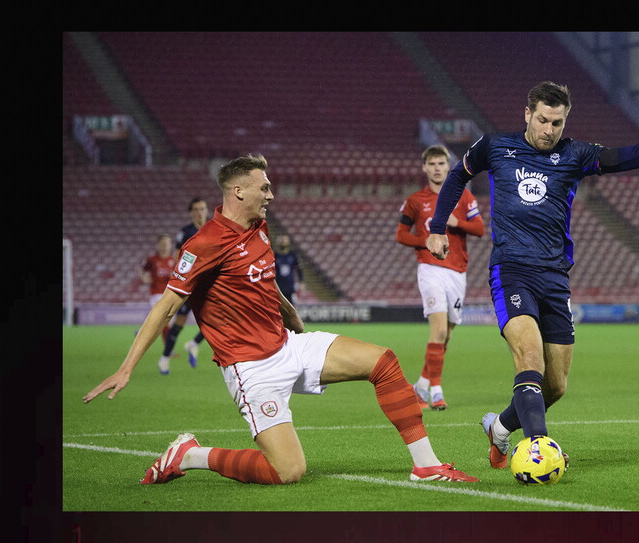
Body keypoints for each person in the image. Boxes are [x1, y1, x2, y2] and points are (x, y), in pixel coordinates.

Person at [83, 154, 479, 485]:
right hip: (251, 368)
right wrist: (127, 367)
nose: (271, 194)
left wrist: (288, 311)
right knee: (288, 471)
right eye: (264, 187)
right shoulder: (204, 243)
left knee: (384, 362)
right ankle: (189, 455)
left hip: (287, 344)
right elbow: (166, 307)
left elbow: (263, 279)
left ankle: (427, 466)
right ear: (239, 191)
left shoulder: (259, 227)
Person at [425, 81, 639, 469]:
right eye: (544, 120)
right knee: (529, 358)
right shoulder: (495, 146)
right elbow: (456, 176)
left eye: (558, 123)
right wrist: (436, 227)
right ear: (528, 114)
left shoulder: (575, 153)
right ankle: (538, 447)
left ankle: (500, 427)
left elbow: (633, 156)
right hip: (511, 270)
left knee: (556, 385)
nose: (550, 130)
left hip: (555, 277)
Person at [395, 144, 485, 410]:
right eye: (431, 164)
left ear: (449, 166)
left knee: (446, 335)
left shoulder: (464, 197)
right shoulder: (414, 200)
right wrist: (427, 242)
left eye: (441, 164)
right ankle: (436, 391)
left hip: (457, 272)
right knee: (440, 330)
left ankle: (421, 386)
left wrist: (458, 224)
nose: (437, 168)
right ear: (424, 168)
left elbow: (480, 229)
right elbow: (401, 235)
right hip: (430, 269)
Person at [157, 197, 209, 373]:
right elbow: (179, 258)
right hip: (190, 283)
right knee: (179, 322)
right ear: (191, 213)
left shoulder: (214, 229)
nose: (199, 212)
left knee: (218, 320)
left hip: (208, 284)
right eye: (196, 209)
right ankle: (165, 358)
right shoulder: (185, 233)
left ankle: (193, 343)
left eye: (202, 209)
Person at [139, 234, 176, 348]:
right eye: (163, 244)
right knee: (164, 320)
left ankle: (142, 332)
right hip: (156, 293)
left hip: (170, 293)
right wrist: (144, 278)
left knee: (167, 322)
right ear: (158, 245)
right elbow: (142, 270)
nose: (165, 246)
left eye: (167, 244)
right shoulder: (152, 260)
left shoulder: (173, 260)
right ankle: (168, 349)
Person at [273, 234, 303, 305]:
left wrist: (301, 281)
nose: (283, 241)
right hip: (278, 287)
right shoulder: (274, 255)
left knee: (291, 308)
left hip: (290, 287)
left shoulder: (293, 255)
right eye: (281, 240)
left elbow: (299, 268)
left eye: (285, 239)